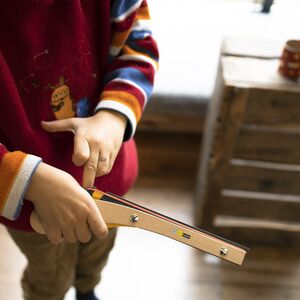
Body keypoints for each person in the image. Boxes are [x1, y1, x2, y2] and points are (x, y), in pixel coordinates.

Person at [0, 0, 159, 299]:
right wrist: (27, 179)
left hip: (106, 175)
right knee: (50, 279)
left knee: (97, 252)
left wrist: (113, 115)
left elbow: (136, 42)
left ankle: (87, 289)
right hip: (26, 198)